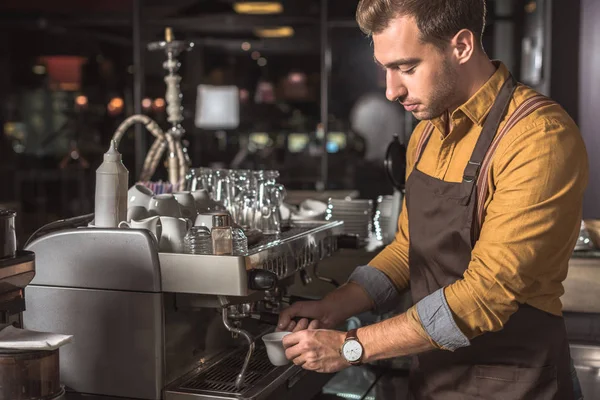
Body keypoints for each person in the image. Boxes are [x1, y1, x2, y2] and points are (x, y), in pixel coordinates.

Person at [276, 0, 589, 399]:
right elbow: (410, 248)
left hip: (516, 383)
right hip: (434, 378)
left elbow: (486, 295)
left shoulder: (537, 137)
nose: (392, 90)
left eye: (406, 68)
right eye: (385, 69)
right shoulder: (427, 131)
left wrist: (351, 346)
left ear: (461, 46)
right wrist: (336, 305)